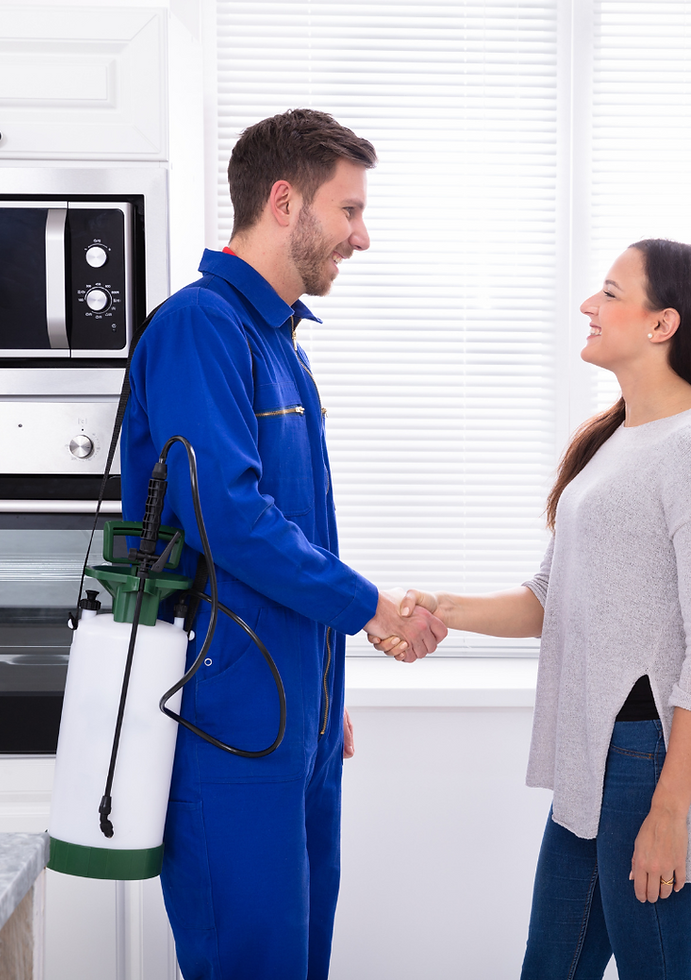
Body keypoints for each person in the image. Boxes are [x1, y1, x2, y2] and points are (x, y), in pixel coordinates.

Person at [121, 108, 446, 980]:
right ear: (283, 201)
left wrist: (326, 686)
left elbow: (299, 531)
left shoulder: (280, 343)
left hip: (293, 718)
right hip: (228, 727)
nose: (362, 236)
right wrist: (373, 606)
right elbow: (232, 521)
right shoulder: (201, 329)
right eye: (348, 210)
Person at [373, 239, 691, 979]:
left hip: (647, 760)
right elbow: (550, 599)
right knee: (549, 968)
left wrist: (670, 812)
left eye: (610, 292)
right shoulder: (619, 440)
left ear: (661, 324)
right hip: (593, 759)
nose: (589, 305)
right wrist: (436, 604)